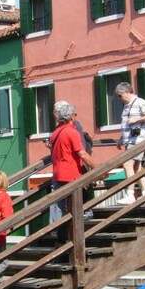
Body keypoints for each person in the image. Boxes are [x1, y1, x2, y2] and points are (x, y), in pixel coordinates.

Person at [51, 101, 95, 240]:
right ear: (71, 117)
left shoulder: (56, 132)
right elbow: (82, 153)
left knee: (63, 210)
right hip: (70, 175)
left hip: (58, 173)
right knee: (73, 210)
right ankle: (71, 240)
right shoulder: (71, 132)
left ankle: (61, 240)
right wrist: (97, 168)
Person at [115, 82, 145, 204]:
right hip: (129, 140)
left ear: (127, 92)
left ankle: (130, 195)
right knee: (137, 168)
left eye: (120, 96)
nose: (119, 99)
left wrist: (137, 119)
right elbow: (127, 124)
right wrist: (122, 138)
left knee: (127, 164)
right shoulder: (126, 106)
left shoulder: (140, 102)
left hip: (137, 140)